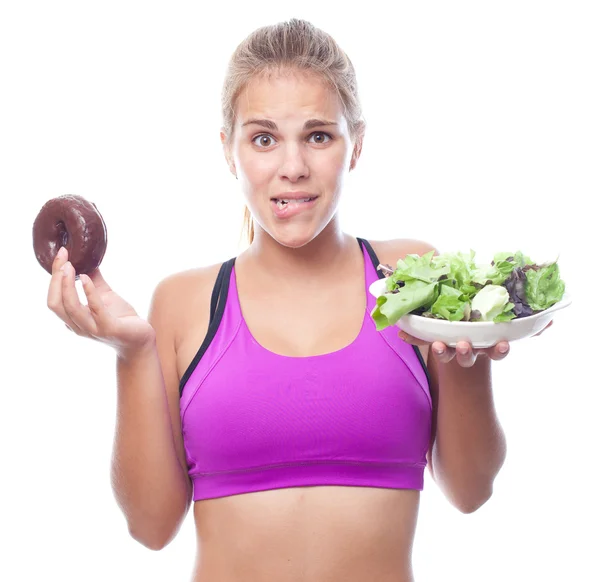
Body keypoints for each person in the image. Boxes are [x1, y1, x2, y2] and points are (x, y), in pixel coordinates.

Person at [46, 17, 550, 582]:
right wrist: (132, 353)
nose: (292, 168)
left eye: (318, 135)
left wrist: (467, 358)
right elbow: (151, 526)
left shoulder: (412, 280)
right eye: (264, 138)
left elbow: (471, 489)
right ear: (228, 151)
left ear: (355, 144)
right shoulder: (184, 303)